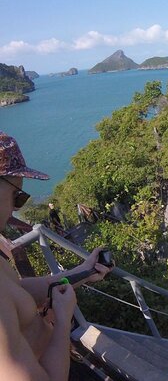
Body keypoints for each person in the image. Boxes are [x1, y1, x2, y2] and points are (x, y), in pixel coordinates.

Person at [0, 131, 112, 381]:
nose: (17, 207)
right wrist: (63, 320)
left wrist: (81, 272)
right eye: (17, 196)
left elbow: (16, 291)